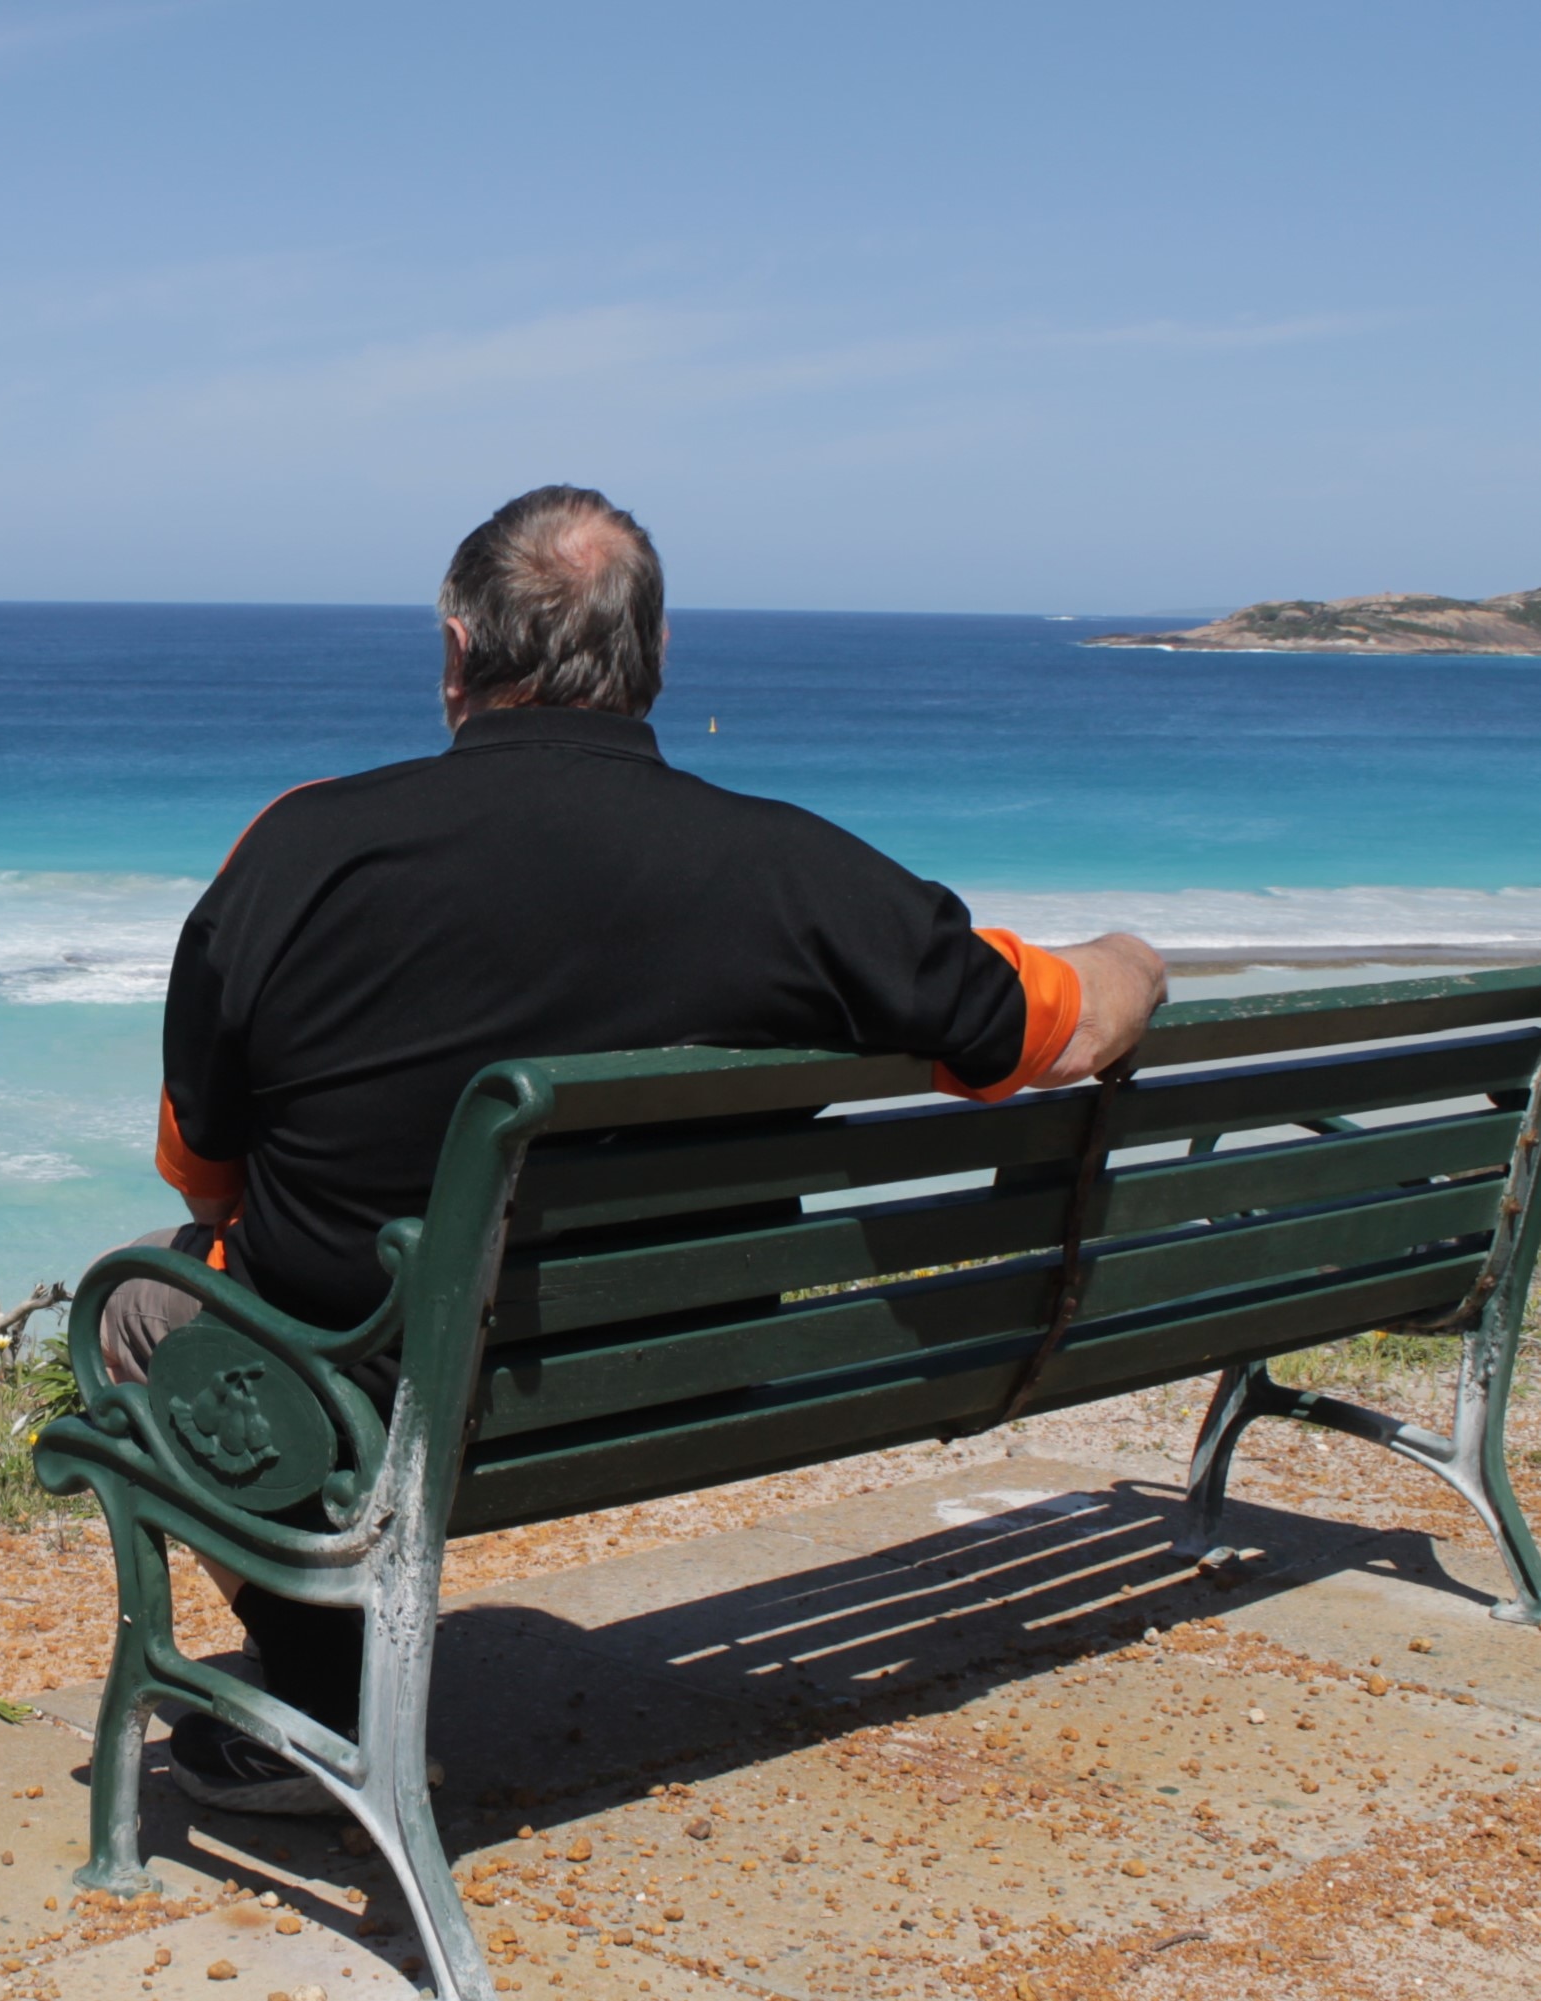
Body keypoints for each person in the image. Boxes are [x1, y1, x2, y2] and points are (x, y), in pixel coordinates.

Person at [107, 484, 1165, 1812]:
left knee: (146, 1291)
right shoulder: (794, 873)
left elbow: (201, 1169)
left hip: (384, 1394)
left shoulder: (299, 848)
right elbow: (1043, 1029)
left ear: (451, 651)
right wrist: (1133, 961)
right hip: (670, 1375)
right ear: (652, 662)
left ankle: (324, 1694)